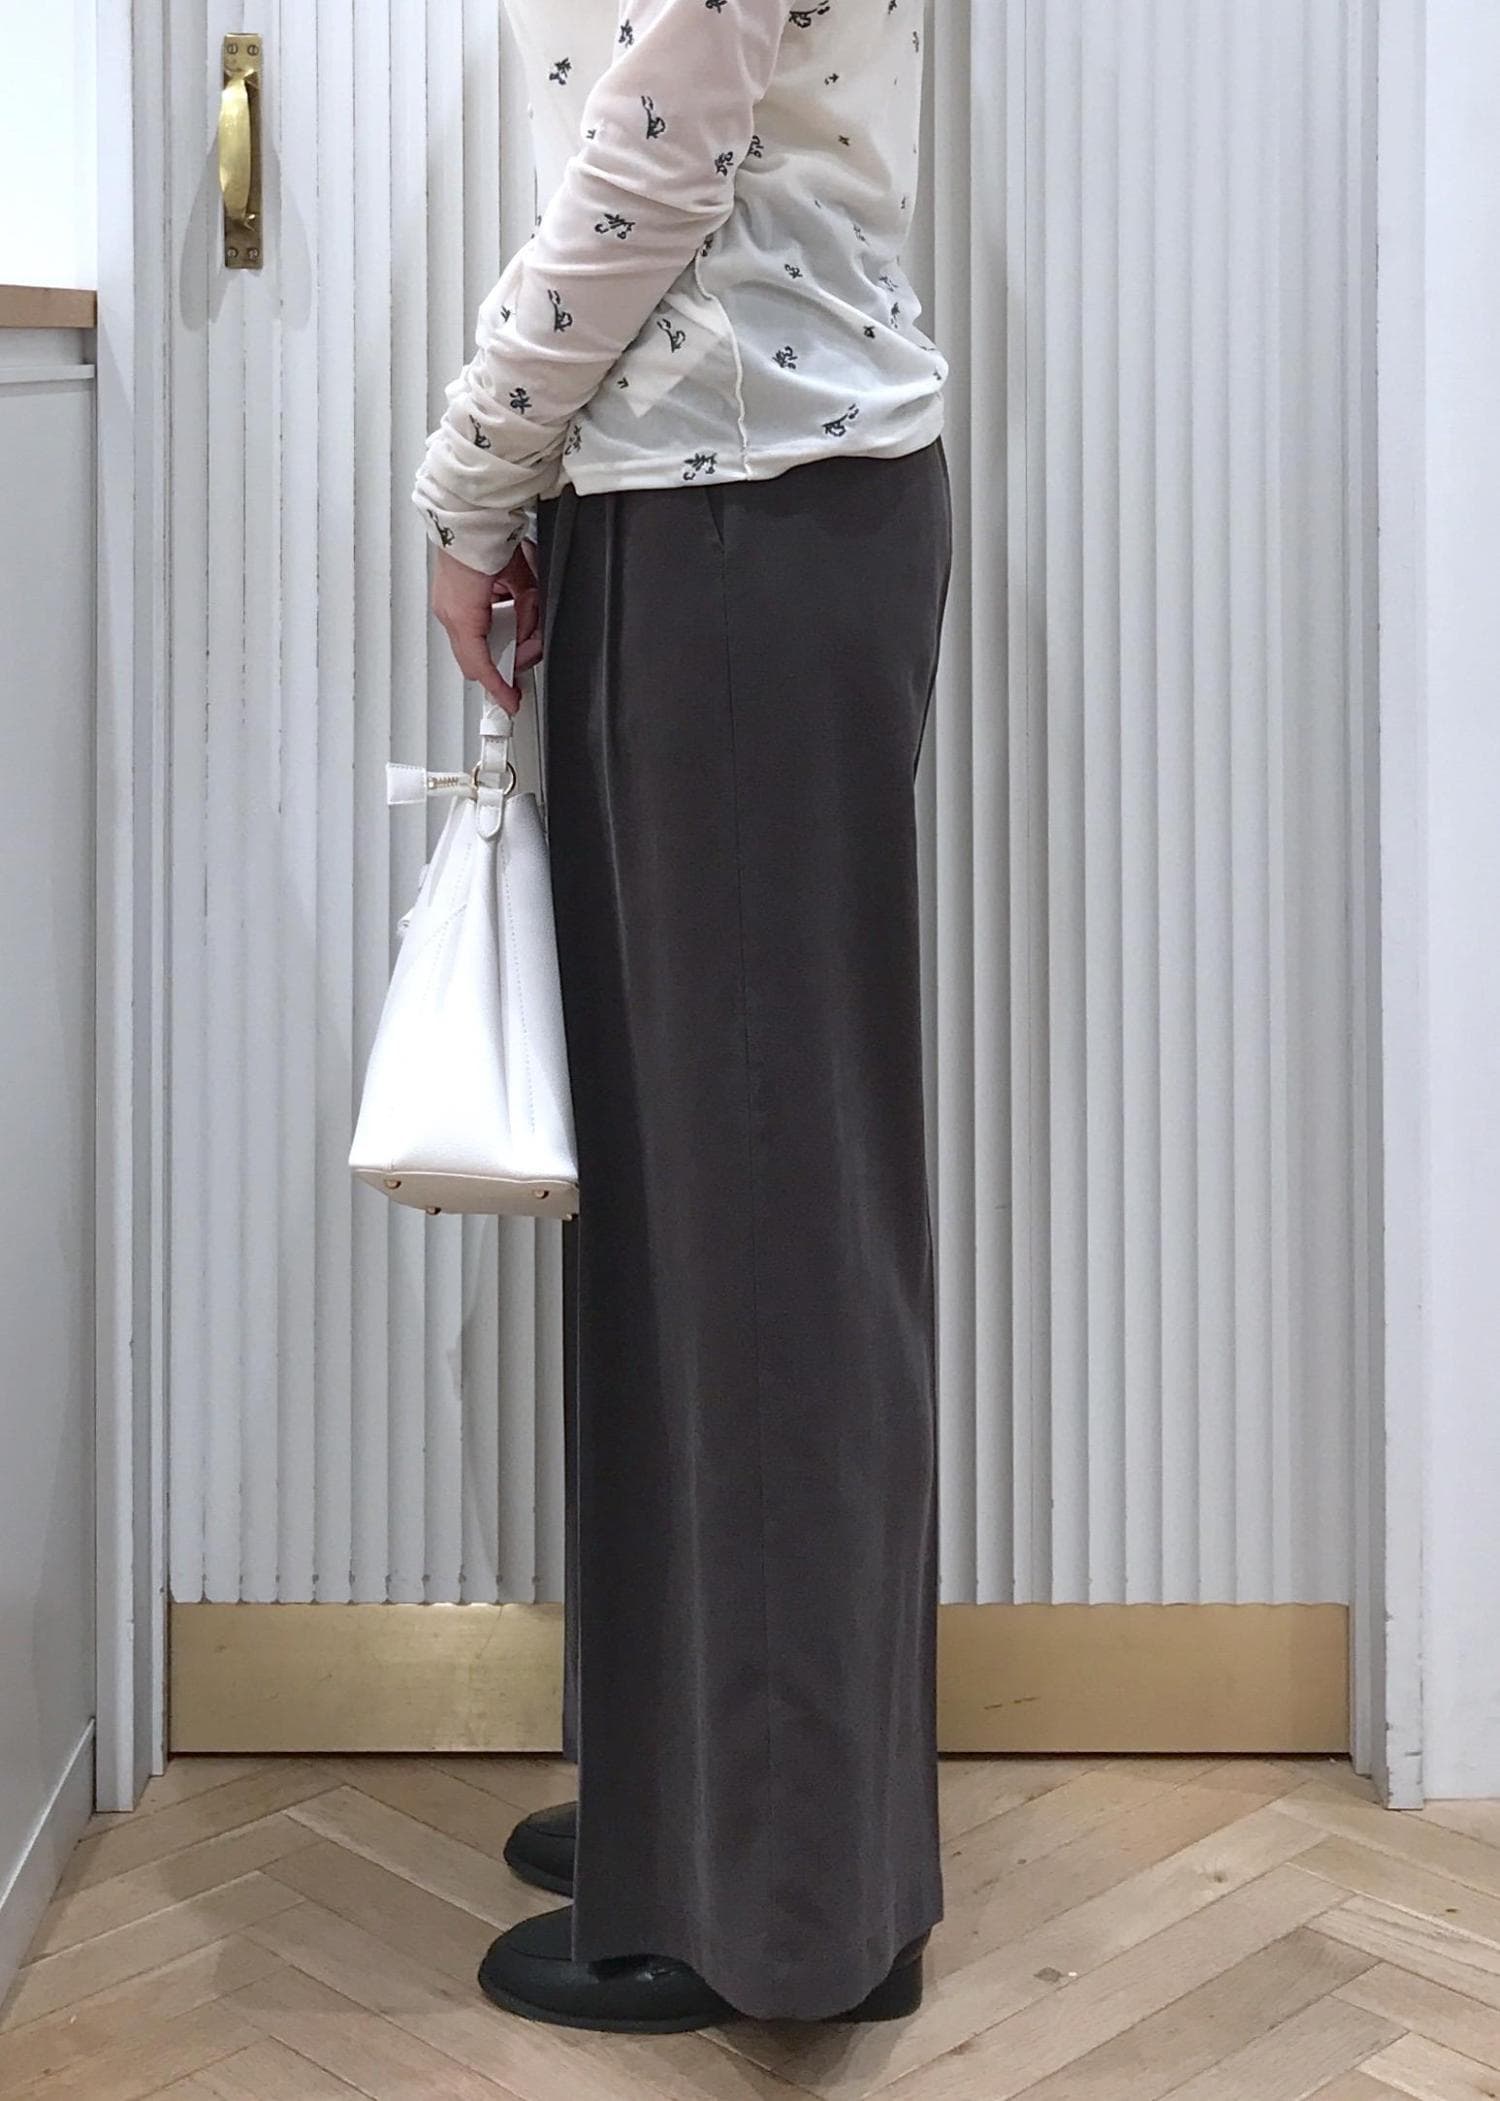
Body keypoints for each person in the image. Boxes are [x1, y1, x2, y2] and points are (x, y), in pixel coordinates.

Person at [412, 0, 953, 2033]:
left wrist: (472, 476)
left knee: (767, 1232)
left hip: (745, 503)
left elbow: (657, 151)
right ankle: (699, 1800)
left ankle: (795, 1913)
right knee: (694, 1209)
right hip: (709, 493)